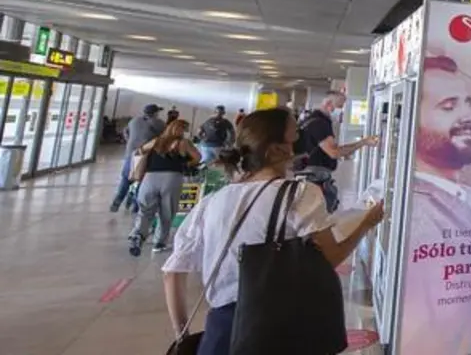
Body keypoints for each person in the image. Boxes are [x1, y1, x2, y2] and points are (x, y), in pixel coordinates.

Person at [161, 108, 383, 355]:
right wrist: (366, 223)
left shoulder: (212, 201)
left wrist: (182, 333)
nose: (302, 139)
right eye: (295, 134)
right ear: (276, 150)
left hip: (220, 333)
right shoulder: (300, 194)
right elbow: (330, 257)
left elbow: (172, 273)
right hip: (276, 330)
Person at [396, 54, 471, 354]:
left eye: (468, 103)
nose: (468, 116)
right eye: (449, 106)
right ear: (413, 122)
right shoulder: (416, 212)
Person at [129, 119, 201, 255]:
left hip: (150, 178)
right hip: (172, 178)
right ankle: (159, 243)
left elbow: (139, 151)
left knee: (145, 210)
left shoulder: (156, 141)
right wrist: (187, 164)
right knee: (166, 213)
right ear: (181, 130)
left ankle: (138, 235)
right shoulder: (183, 143)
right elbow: (198, 157)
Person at [294, 108, 378, 213]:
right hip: (315, 180)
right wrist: (364, 142)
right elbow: (334, 152)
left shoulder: (308, 123)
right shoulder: (320, 124)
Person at [111, 103, 165, 212]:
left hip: (131, 153)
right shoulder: (158, 123)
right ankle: (135, 207)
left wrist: (130, 141)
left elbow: (125, 132)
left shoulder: (134, 121)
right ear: (155, 113)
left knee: (126, 179)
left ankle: (116, 202)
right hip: (146, 155)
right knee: (142, 181)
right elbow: (164, 136)